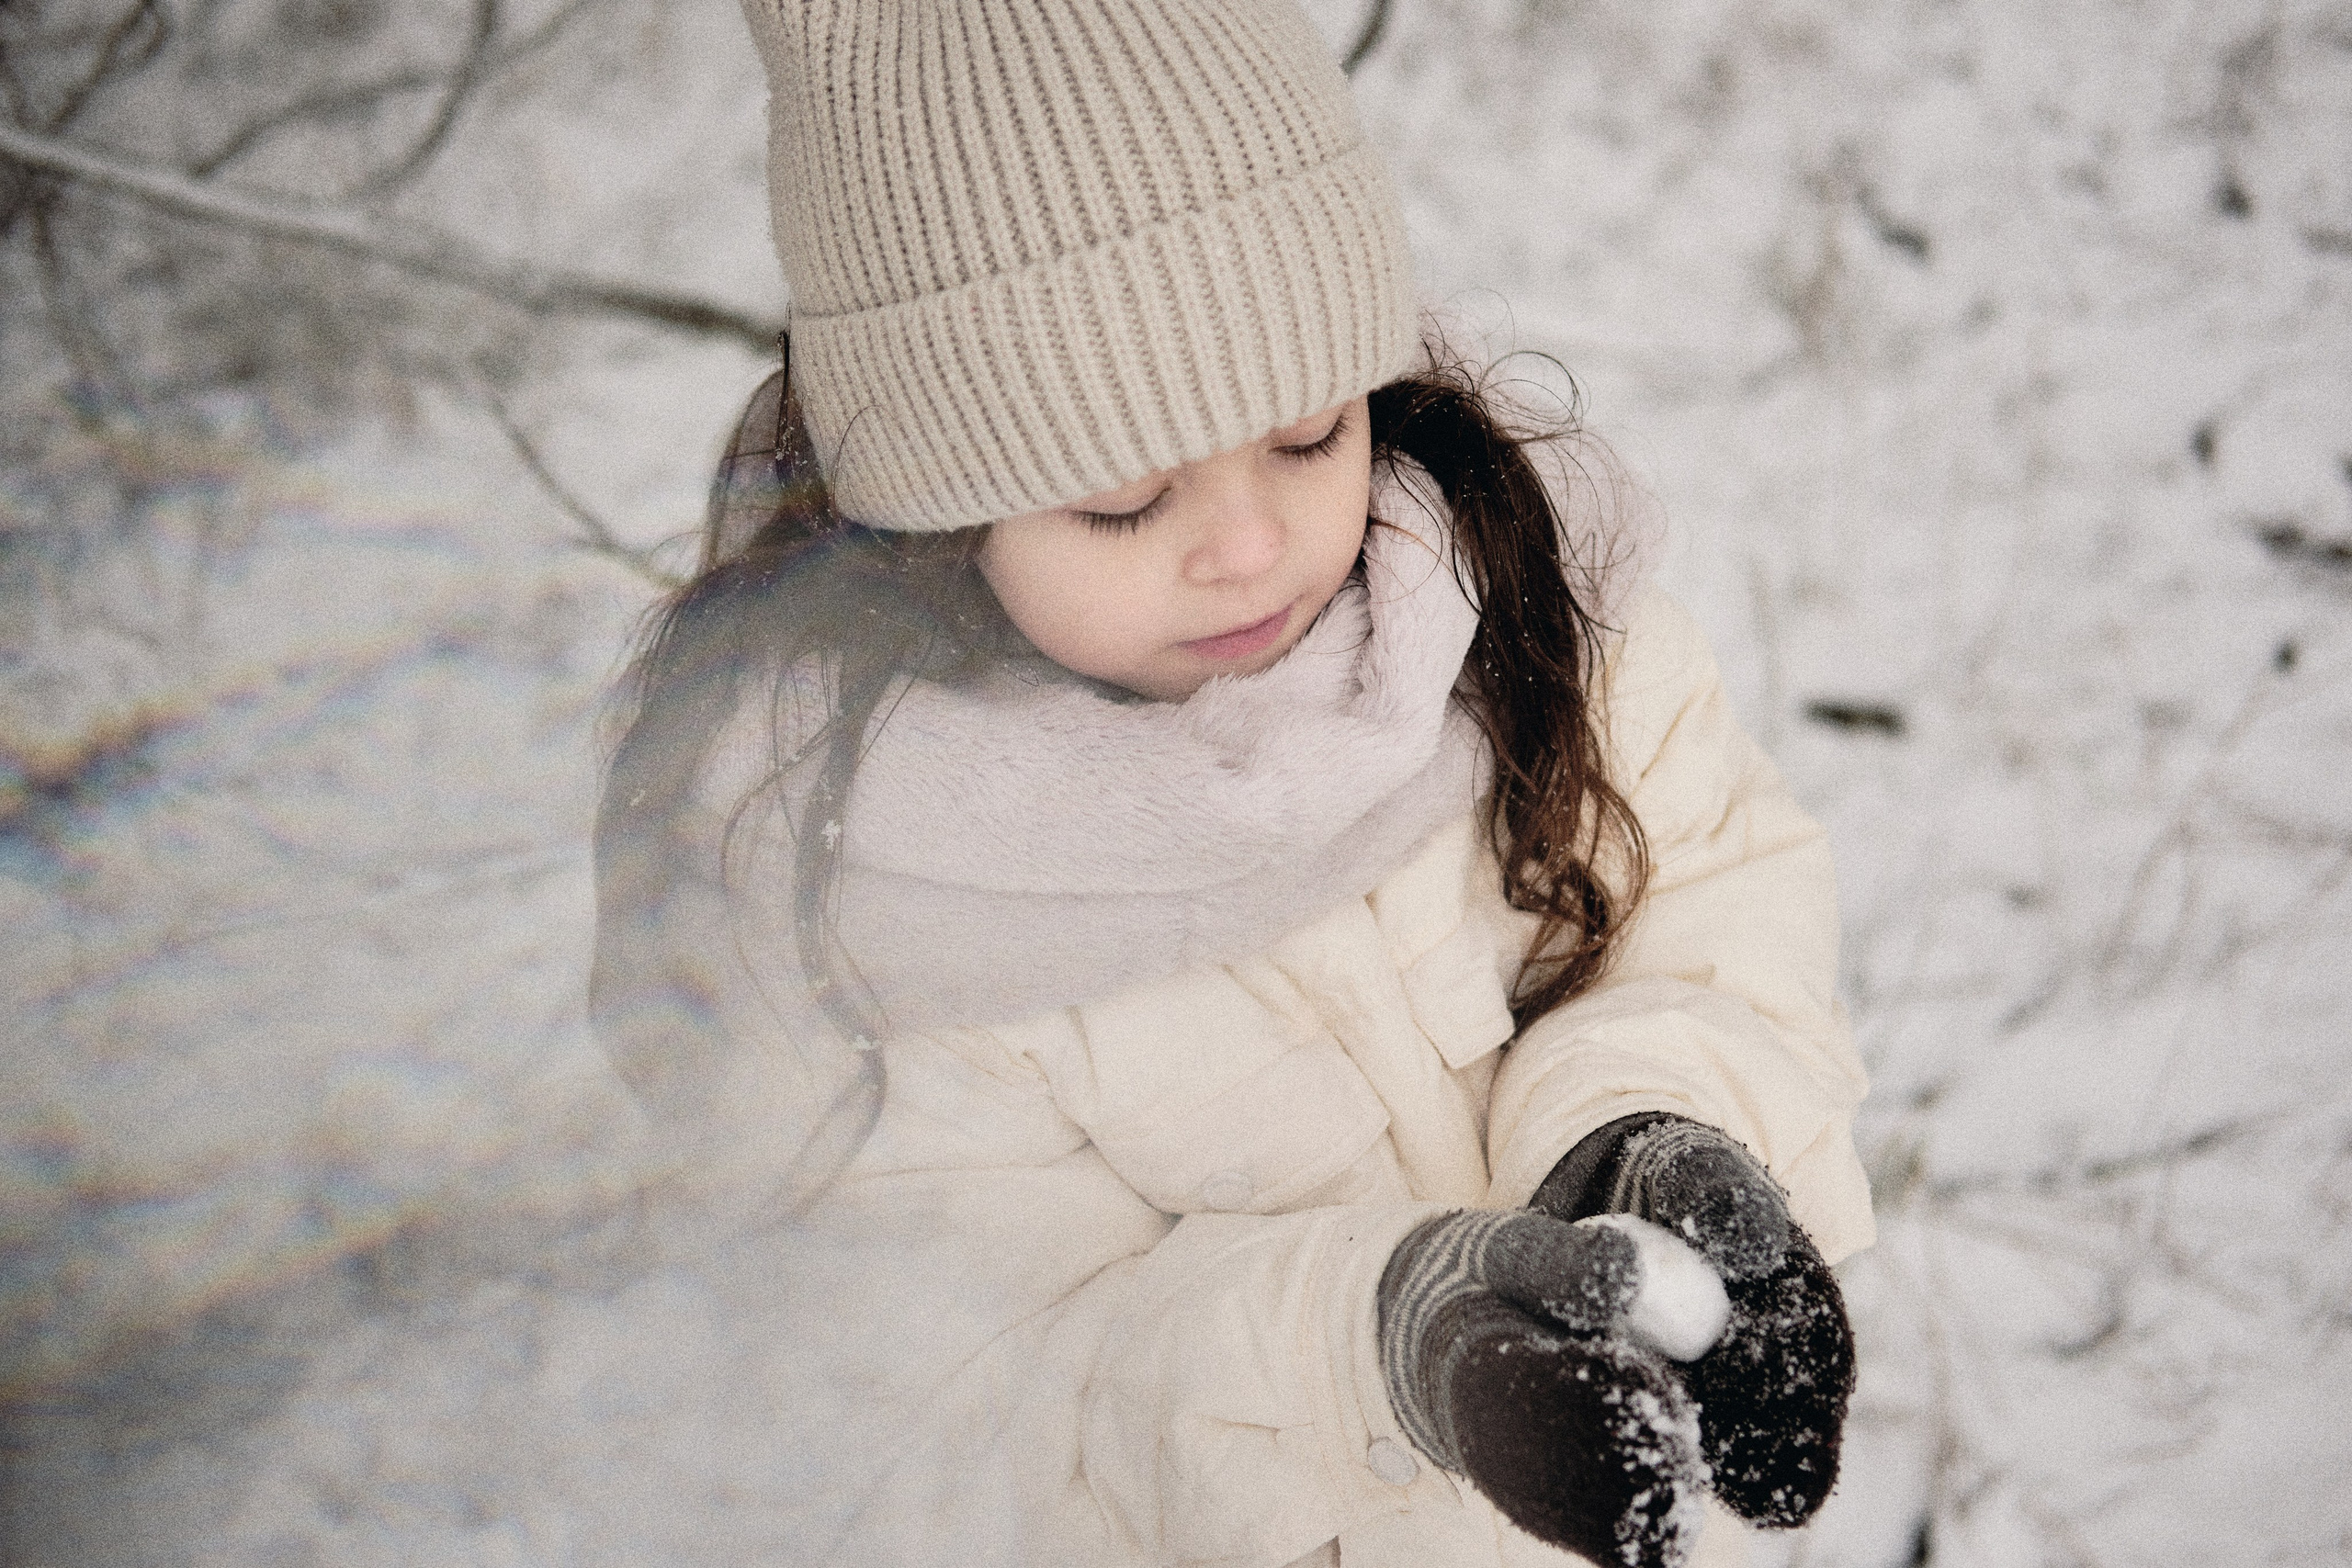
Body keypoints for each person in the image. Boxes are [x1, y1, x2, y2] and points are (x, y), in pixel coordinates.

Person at [589, 2, 1874, 1564]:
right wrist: (1380, 1354)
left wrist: (1644, 1129)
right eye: (1124, 500)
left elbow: (1718, 900)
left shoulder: (1525, 630)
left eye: (1309, 430)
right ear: (932, 528)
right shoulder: (858, 923)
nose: (1251, 544)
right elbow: (953, 1438)